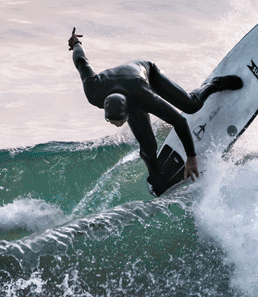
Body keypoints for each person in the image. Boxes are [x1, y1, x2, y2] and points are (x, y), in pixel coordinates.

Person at [68, 28, 242, 187]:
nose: (117, 125)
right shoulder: (93, 90)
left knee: (190, 105)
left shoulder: (143, 95)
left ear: (126, 110)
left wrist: (191, 157)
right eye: (113, 121)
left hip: (145, 74)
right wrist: (76, 42)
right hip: (128, 92)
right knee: (148, 147)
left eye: (120, 121)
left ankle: (214, 84)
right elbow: (81, 61)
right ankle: (155, 177)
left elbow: (179, 121)